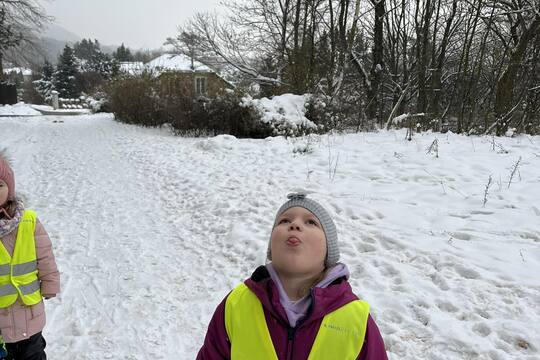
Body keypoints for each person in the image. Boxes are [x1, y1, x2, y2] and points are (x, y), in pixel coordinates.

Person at [197, 193, 387, 359]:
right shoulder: (235, 305)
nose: (295, 225)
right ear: (271, 246)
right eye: (284, 221)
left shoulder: (355, 320)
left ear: (328, 251)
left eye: (311, 222)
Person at [0, 150, 60, 360]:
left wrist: (50, 283)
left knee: (33, 355)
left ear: (10, 189)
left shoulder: (28, 221)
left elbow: (45, 256)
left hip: (28, 312)